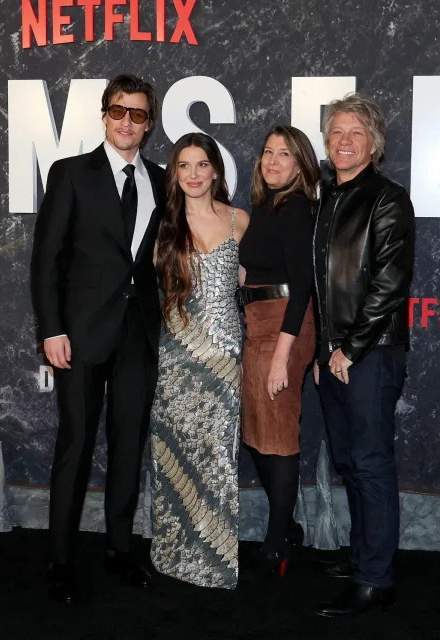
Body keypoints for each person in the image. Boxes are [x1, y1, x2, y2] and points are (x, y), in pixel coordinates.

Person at [29, 74, 166, 604]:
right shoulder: (70, 175)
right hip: (80, 334)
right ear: (104, 116)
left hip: (138, 334)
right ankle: (60, 560)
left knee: (129, 445)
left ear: (149, 123)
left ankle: (118, 550)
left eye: (137, 114)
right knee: (76, 446)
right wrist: (51, 328)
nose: (127, 121)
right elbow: (46, 261)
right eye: (119, 111)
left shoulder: (160, 178)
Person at [311, 93, 415, 617]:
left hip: (369, 354)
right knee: (351, 462)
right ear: (327, 144)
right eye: (336, 133)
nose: (344, 140)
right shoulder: (329, 198)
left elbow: (389, 284)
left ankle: (377, 580)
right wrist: (323, 349)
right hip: (334, 356)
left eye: (355, 132)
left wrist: (350, 348)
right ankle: (362, 557)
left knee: (371, 464)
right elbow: (324, 286)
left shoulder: (388, 198)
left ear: (374, 143)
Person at [149, 132, 250, 589]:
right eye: (184, 165)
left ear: (215, 170)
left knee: (218, 461)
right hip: (176, 359)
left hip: (226, 359)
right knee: (175, 456)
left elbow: (258, 280)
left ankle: (215, 560)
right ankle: (173, 554)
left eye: (201, 164)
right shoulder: (161, 223)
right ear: (175, 173)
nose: (193, 174)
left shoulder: (239, 222)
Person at [237, 125, 320, 577]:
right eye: (267, 152)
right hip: (258, 322)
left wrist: (283, 356)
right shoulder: (267, 206)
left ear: (300, 164)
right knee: (258, 433)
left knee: (278, 436)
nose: (272, 161)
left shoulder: (296, 209)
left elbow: (303, 286)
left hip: (284, 324)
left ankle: (278, 545)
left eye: (284, 154)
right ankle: (285, 528)